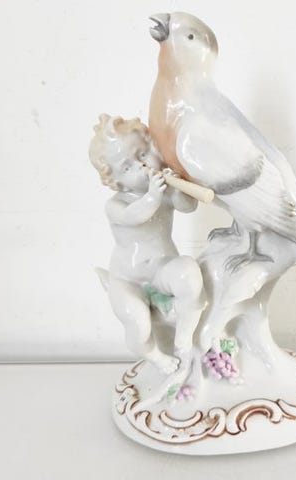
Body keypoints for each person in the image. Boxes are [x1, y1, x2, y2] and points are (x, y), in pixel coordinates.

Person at [89, 114, 204, 374]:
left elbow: (188, 206)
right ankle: (155, 356)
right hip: (128, 280)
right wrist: (153, 196)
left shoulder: (162, 189)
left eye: (142, 154)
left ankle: (184, 337)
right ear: (115, 181)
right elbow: (135, 216)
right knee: (138, 323)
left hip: (163, 270)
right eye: (127, 167)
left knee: (189, 274)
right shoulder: (117, 204)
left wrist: (179, 187)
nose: (141, 166)